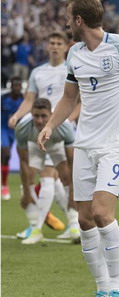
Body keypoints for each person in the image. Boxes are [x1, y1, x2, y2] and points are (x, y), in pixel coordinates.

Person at [37, 0, 119, 297]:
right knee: (84, 218)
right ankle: (101, 290)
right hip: (84, 145)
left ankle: (118, 290)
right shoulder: (75, 54)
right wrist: (51, 125)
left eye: (68, 17)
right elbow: (69, 97)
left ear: (78, 20)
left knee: (103, 213)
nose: (66, 22)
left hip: (115, 145)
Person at [9, 31, 77, 239]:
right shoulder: (37, 71)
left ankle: (37, 228)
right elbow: (30, 100)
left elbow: (79, 100)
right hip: (39, 127)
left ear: (66, 47)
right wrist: (18, 115)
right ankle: (73, 225)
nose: (55, 46)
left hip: (61, 129)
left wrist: (68, 121)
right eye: (52, 43)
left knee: (50, 177)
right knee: (50, 180)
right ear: (47, 46)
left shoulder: (72, 69)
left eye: (59, 43)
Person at [15, 98, 78, 244]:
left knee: (66, 177)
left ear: (51, 114)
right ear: (31, 114)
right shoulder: (22, 128)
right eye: (36, 116)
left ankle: (74, 226)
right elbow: (23, 162)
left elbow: (72, 161)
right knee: (28, 181)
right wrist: (25, 191)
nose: (39, 120)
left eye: (43, 116)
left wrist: (74, 193)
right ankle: (35, 229)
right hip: (35, 146)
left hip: (56, 145)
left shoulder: (65, 127)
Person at [1, 77, 23, 200]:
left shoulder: (23, 99)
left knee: (25, 157)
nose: (17, 87)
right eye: (15, 85)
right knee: (6, 155)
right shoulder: (4, 99)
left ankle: (26, 186)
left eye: (19, 85)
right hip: (3, 129)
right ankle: (4, 185)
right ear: (11, 86)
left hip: (19, 130)